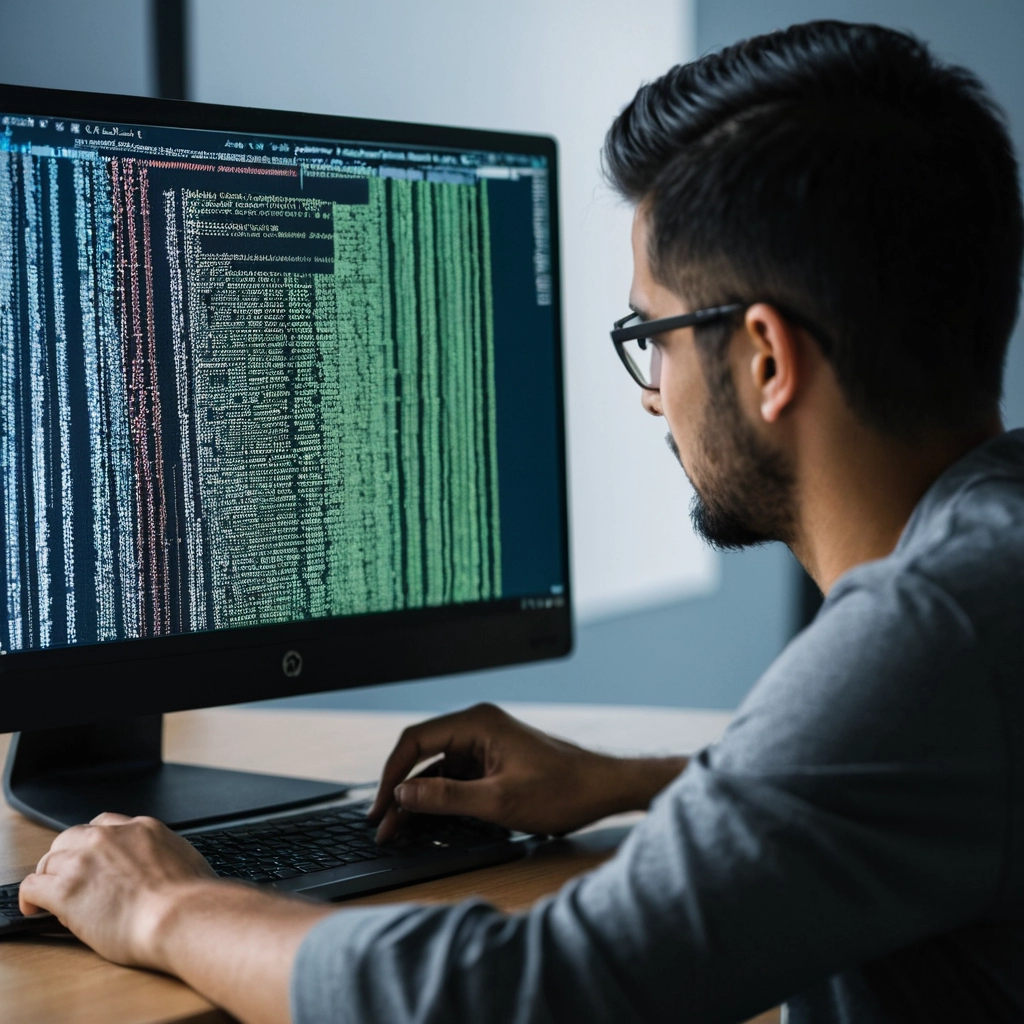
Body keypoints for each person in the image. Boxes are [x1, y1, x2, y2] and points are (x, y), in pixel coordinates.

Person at [19, 19, 1024, 1024]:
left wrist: (166, 904)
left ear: (765, 359)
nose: (648, 394)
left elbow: (519, 997)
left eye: (650, 334)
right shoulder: (990, 566)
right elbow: (908, 782)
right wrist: (626, 781)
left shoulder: (933, 634)